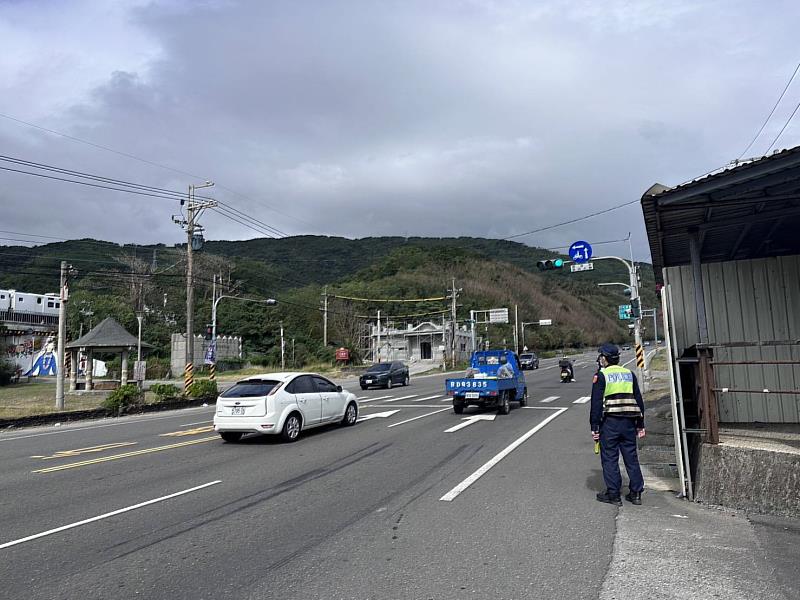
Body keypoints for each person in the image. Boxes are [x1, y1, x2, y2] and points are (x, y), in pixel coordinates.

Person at [590, 343, 646, 506]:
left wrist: (595, 426)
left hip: (610, 423)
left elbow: (596, 404)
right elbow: (638, 400)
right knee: (631, 457)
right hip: (629, 422)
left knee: (609, 458)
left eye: (601, 356)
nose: (600, 359)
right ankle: (636, 493)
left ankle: (613, 494)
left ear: (605, 359)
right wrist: (640, 424)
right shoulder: (629, 374)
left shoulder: (601, 376)